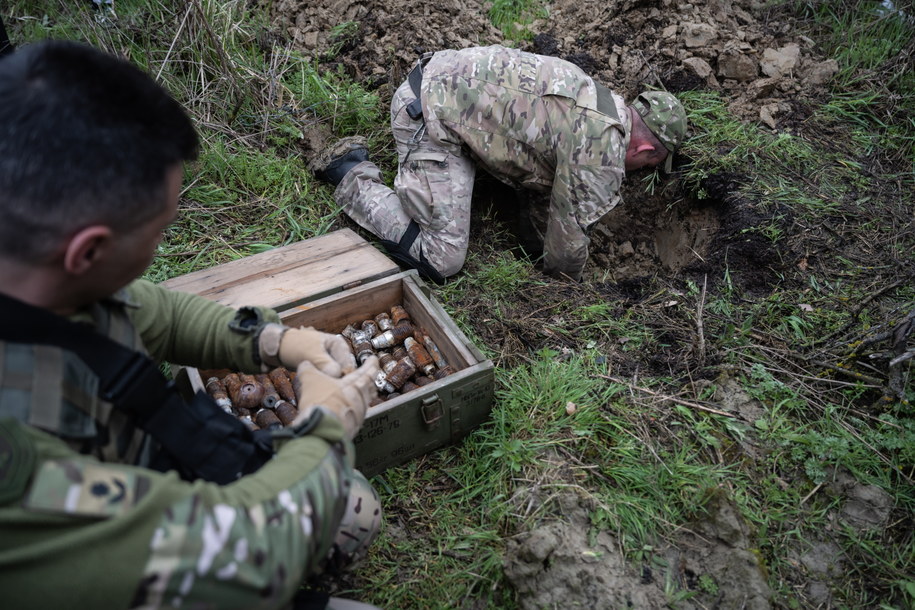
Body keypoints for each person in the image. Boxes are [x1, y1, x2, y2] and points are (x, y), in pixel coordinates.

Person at [0, 40, 384, 609]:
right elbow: (249, 548)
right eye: (158, 233)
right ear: (86, 251)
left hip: (133, 494)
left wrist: (275, 339)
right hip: (108, 561)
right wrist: (324, 427)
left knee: (351, 508)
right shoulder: (17, 471)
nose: (160, 247)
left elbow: (158, 310)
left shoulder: (37, 267)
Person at [312, 44, 687, 283]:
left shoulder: (598, 96)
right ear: (644, 153)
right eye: (648, 166)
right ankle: (352, 174)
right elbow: (566, 244)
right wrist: (567, 285)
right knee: (441, 257)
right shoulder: (601, 147)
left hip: (440, 83)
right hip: (428, 117)